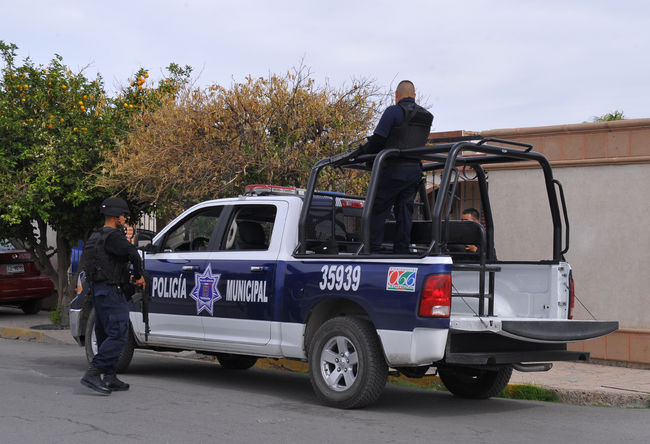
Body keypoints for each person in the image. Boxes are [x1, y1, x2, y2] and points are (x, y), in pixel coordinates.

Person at [359, 80, 433, 253]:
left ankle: (372, 249)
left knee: (377, 208)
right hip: (414, 172)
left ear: (396, 95)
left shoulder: (393, 111)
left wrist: (363, 152)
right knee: (405, 212)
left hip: (393, 169)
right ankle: (402, 250)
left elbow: (378, 139)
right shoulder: (427, 117)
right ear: (414, 95)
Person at [80, 197, 145, 395]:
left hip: (98, 290)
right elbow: (133, 254)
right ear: (116, 217)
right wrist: (140, 276)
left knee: (104, 333)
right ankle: (93, 373)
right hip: (111, 291)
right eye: (123, 216)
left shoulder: (96, 236)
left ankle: (109, 376)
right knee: (118, 333)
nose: (125, 219)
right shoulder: (114, 237)